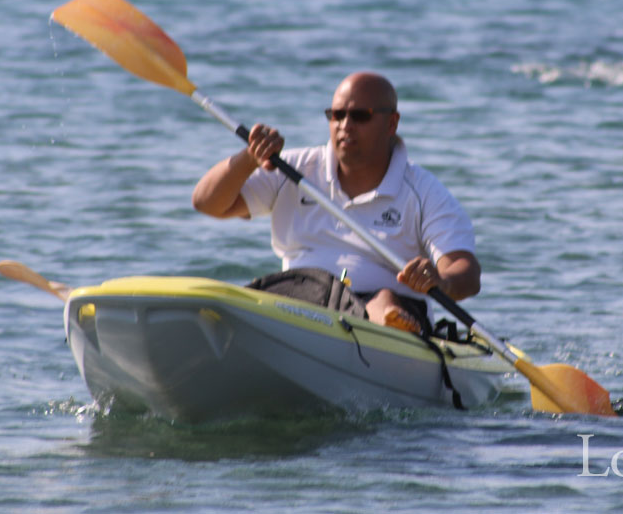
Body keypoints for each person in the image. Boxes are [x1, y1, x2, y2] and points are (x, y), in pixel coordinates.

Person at [191, 72, 481, 334]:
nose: (345, 126)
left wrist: (440, 281)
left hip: (385, 306)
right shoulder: (291, 168)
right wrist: (249, 158)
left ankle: (391, 326)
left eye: (360, 116)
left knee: (384, 302)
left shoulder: (425, 192)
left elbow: (465, 272)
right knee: (254, 296)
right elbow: (207, 202)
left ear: (391, 123)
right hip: (302, 296)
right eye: (337, 115)